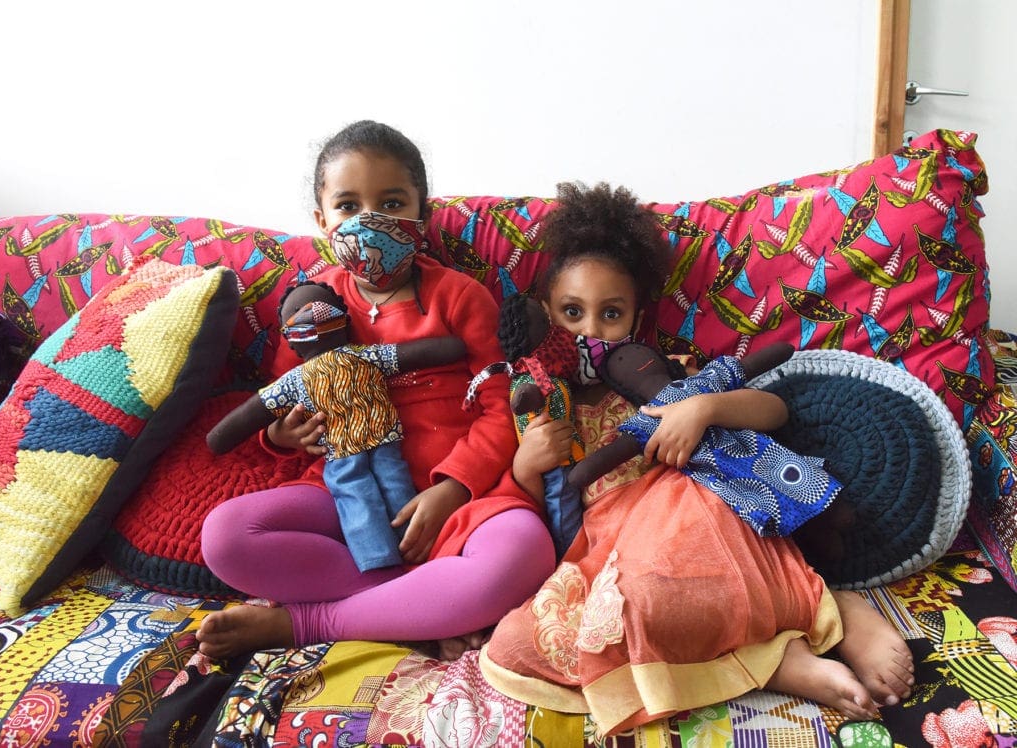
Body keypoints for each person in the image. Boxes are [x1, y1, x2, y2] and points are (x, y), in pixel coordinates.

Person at [479, 182, 915, 736]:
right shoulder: (538, 403)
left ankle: (833, 610)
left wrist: (703, 408)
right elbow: (533, 514)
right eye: (572, 313)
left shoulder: (661, 373)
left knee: (679, 567)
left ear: (635, 319)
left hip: (693, 509)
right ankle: (775, 659)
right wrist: (527, 465)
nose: (590, 330)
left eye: (610, 314)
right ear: (546, 316)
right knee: (529, 639)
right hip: (607, 545)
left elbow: (774, 410)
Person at [196, 120, 555, 661]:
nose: (370, 221)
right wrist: (283, 435)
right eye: (348, 205)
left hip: (463, 499)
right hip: (348, 499)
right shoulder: (312, 308)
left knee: (525, 554)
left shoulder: (459, 297)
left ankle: (307, 622)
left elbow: (501, 408)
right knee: (225, 535)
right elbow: (283, 399)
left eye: (391, 202)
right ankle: (421, 606)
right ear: (321, 220)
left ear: (422, 214)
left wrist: (453, 488)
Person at [205, 280, 467, 572]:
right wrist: (276, 434)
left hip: (343, 449)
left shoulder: (295, 381)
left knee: (356, 495)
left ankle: (380, 558)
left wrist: (219, 439)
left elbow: (250, 414)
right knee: (388, 484)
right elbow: (418, 353)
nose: (313, 317)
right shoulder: (366, 357)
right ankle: (404, 550)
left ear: (291, 340)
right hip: (380, 437)